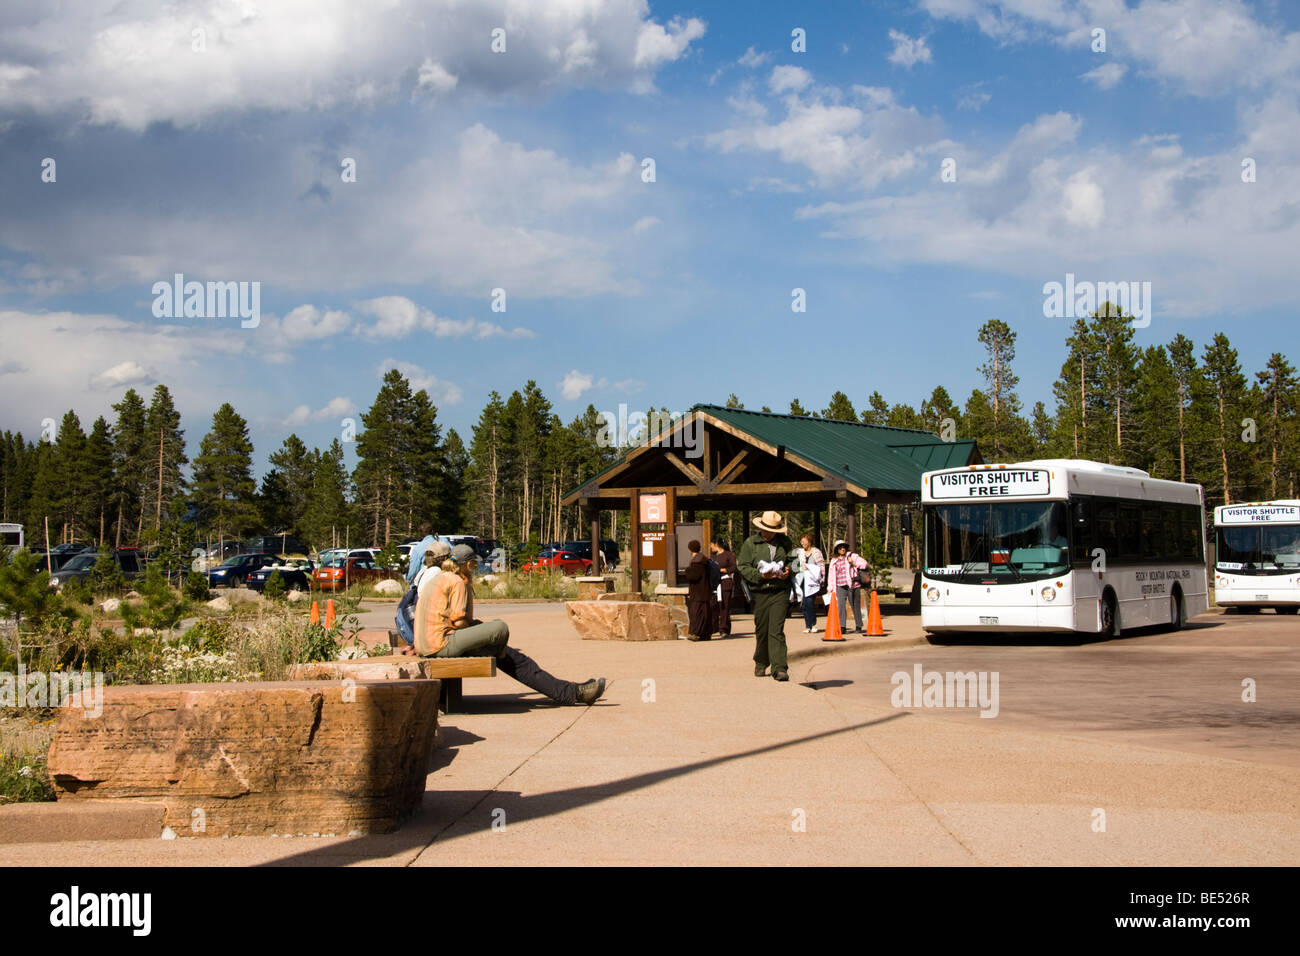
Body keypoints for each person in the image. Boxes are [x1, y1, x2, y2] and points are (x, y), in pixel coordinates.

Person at [417, 544, 606, 705]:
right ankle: (572, 693)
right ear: (468, 564)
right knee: (499, 628)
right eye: (474, 566)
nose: (474, 570)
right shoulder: (457, 581)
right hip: (442, 644)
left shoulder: (439, 578)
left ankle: (572, 692)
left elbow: (462, 620)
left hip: (430, 644)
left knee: (510, 655)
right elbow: (459, 622)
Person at [737, 510, 794, 681]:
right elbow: (743, 566)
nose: (768, 534)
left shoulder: (785, 543)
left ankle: (779, 668)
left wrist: (789, 571)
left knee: (776, 630)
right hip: (760, 592)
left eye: (772, 531)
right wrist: (760, 575)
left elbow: (795, 561)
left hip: (780, 591)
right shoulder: (750, 543)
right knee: (762, 630)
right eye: (766, 530)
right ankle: (761, 662)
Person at [395, 539, 452, 652]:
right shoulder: (436, 573)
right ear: (445, 559)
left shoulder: (425, 570)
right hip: (425, 627)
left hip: (416, 623)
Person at [827, 540, 868, 633]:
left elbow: (865, 564)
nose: (842, 549)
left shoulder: (852, 556)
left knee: (855, 605)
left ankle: (858, 626)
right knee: (840, 606)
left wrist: (853, 563)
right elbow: (831, 576)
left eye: (844, 547)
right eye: (840, 547)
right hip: (840, 586)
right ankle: (842, 627)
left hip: (853, 585)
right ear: (836, 549)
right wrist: (830, 588)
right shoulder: (834, 561)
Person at [683, 539, 712, 641]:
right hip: (705, 590)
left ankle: (695, 633)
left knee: (696, 613)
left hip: (697, 592)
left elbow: (693, 576)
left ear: (690, 549)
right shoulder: (704, 560)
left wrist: (687, 570)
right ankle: (706, 634)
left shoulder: (697, 561)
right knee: (705, 613)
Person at [796, 533, 825, 633]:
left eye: (804, 541)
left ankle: (813, 624)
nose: (802, 543)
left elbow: (821, 566)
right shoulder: (800, 553)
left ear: (809, 541)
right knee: (804, 604)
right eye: (801, 541)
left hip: (813, 582)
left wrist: (822, 579)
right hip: (803, 581)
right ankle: (808, 625)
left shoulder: (816, 552)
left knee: (809, 602)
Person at [709, 538, 736, 637]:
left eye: (711, 544)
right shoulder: (712, 557)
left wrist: (725, 570)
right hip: (715, 584)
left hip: (725, 582)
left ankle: (724, 629)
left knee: (724, 606)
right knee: (714, 606)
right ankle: (713, 627)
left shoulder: (729, 555)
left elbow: (734, 567)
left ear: (716, 544)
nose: (710, 547)